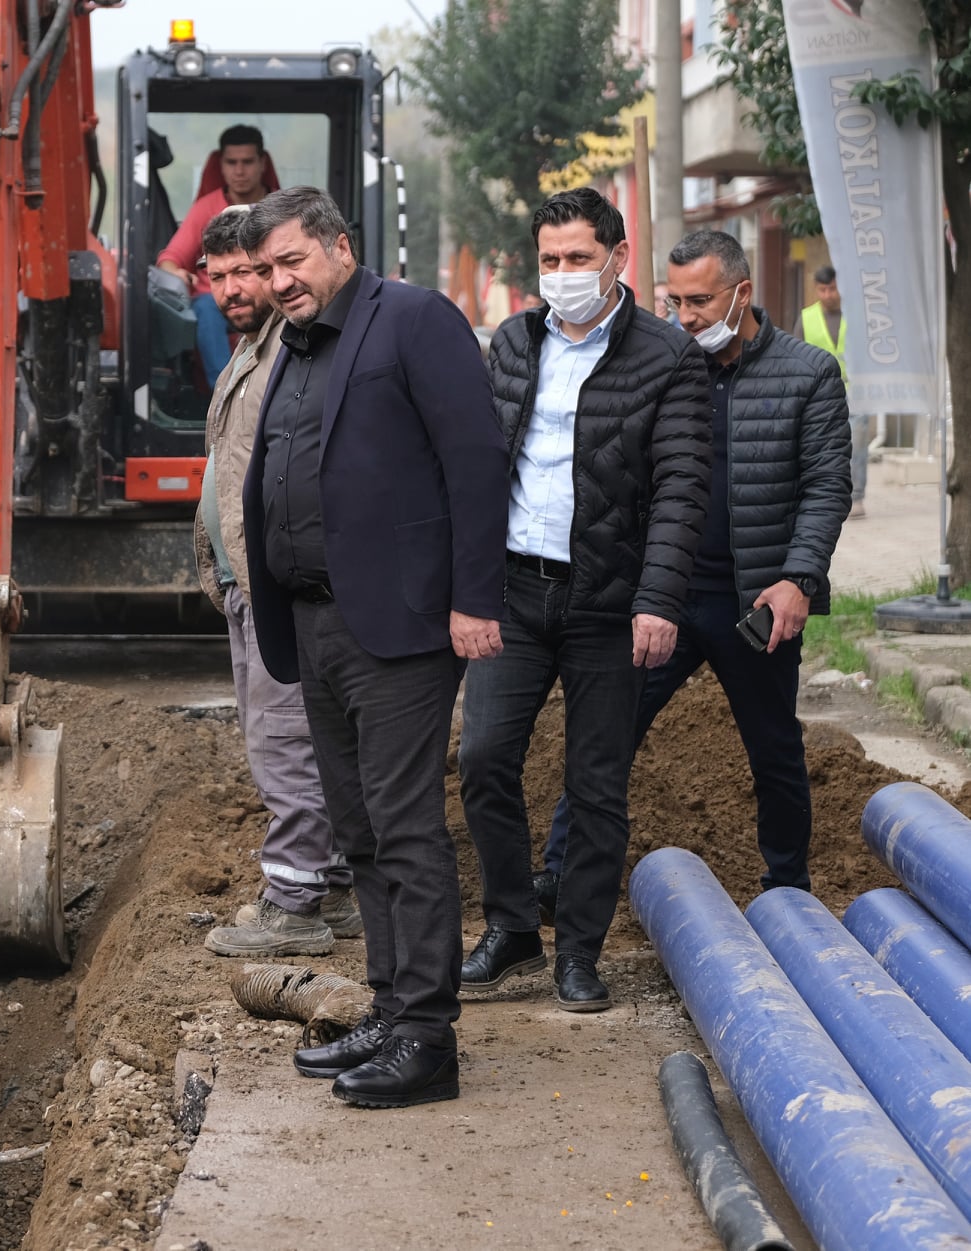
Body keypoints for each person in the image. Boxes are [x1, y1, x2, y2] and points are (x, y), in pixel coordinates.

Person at [238, 187, 508, 1108]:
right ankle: (392, 1007)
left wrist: (475, 597)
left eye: (290, 262)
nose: (278, 282)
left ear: (339, 248)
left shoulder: (413, 320)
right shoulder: (296, 344)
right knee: (356, 829)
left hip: (398, 622)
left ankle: (429, 1037)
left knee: (402, 824)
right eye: (266, 270)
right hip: (316, 620)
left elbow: (475, 461)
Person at [535, 231, 850, 911]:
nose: (685, 316)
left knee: (773, 750)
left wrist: (799, 578)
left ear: (741, 292)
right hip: (662, 599)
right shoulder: (661, 364)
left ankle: (787, 889)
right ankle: (558, 873)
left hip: (754, 602)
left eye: (700, 300)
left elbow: (826, 485)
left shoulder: (807, 373)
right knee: (604, 738)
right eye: (673, 300)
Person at [457, 187, 711, 1013]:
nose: (561, 275)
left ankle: (578, 950)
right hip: (513, 592)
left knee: (595, 783)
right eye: (549, 260)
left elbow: (680, 488)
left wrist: (658, 598)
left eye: (576, 259)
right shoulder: (512, 341)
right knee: (485, 759)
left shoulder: (665, 355)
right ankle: (511, 927)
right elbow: (477, 468)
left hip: (610, 604)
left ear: (616, 258)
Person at [191, 207, 361, 959]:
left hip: (277, 583)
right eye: (219, 275)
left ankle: (294, 905)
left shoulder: (293, 352)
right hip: (245, 578)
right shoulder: (252, 353)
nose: (234, 287)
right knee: (296, 738)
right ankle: (338, 886)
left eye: (248, 272)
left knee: (283, 738)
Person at [157, 125, 273, 387]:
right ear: (220, 165)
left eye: (247, 162)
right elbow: (170, 258)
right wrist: (174, 271)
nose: (239, 171)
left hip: (270, 297)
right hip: (215, 305)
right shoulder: (206, 208)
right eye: (232, 162)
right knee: (207, 308)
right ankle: (226, 391)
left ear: (262, 163)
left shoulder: (281, 207)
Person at [795, 265, 863, 518]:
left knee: (858, 440)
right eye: (822, 290)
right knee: (822, 444)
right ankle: (824, 495)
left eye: (831, 289)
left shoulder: (855, 314)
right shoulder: (806, 317)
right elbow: (798, 356)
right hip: (821, 391)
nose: (827, 295)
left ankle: (857, 496)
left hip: (855, 388)